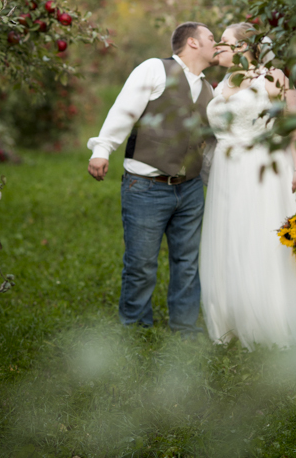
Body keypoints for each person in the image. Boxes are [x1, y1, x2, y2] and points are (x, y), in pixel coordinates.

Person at [200, 23, 296, 349]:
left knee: (264, 240)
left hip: (264, 170)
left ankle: (280, 317)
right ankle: (237, 319)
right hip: (227, 174)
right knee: (234, 240)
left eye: (224, 42)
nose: (219, 47)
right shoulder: (221, 83)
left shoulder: (272, 78)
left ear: (244, 47)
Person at [88, 22, 217, 334]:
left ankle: (185, 328)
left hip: (189, 190)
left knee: (186, 263)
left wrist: (213, 182)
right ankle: (135, 326)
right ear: (193, 42)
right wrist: (102, 148)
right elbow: (125, 110)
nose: (217, 43)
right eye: (212, 38)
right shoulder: (155, 69)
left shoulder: (209, 89)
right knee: (141, 264)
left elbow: (208, 143)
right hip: (146, 186)